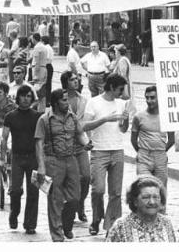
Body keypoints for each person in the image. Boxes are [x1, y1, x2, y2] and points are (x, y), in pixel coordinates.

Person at [35, 88, 88, 241]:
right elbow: (38, 144)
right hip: (53, 160)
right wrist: (41, 166)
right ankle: (57, 235)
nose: (67, 102)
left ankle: (66, 225)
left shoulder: (73, 117)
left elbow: (79, 134)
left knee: (75, 198)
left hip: (71, 159)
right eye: (64, 100)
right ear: (56, 102)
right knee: (55, 199)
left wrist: (86, 143)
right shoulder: (44, 120)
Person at [83, 73, 130, 236]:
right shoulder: (94, 102)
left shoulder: (122, 104)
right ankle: (96, 218)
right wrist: (105, 119)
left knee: (116, 192)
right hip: (99, 150)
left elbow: (123, 129)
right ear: (111, 87)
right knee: (98, 189)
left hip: (117, 149)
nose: (122, 92)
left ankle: (112, 224)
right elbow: (84, 126)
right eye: (120, 89)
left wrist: (125, 120)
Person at [2, 84, 41, 234]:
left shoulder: (37, 117)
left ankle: (30, 223)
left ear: (32, 98)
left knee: (33, 191)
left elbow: (41, 140)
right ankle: (14, 212)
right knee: (15, 190)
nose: (26, 99)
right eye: (23, 96)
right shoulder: (10, 116)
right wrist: (3, 159)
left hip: (33, 158)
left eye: (29, 96)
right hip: (16, 157)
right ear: (18, 97)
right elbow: (4, 138)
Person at [60, 70, 91, 223]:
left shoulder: (83, 100)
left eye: (77, 79)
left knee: (86, 177)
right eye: (72, 79)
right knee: (70, 179)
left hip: (81, 144)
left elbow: (87, 120)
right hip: (65, 145)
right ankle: (69, 207)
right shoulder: (60, 99)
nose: (76, 81)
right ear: (66, 82)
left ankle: (81, 203)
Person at [131, 86, 175, 193]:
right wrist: (142, 152)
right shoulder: (139, 116)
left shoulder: (167, 116)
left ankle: (161, 210)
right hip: (144, 156)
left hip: (160, 156)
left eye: (152, 97)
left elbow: (172, 139)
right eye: (147, 98)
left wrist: (161, 151)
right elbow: (133, 139)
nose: (149, 101)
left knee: (161, 190)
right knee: (144, 188)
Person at [106, 176, 176, 242]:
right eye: (146, 197)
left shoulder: (166, 223)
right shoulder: (121, 226)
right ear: (135, 201)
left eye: (156, 197)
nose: (152, 202)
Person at [30, 33, 47, 112]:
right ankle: (42, 109)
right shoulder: (44, 47)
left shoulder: (37, 48)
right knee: (42, 89)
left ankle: (38, 110)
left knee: (37, 90)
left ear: (34, 39)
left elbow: (36, 61)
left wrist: (35, 75)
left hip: (38, 69)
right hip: (44, 68)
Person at [42, 35, 54, 105]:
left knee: (46, 84)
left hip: (46, 65)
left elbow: (46, 58)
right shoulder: (50, 47)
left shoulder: (45, 48)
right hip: (49, 65)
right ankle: (48, 99)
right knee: (48, 84)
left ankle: (47, 100)